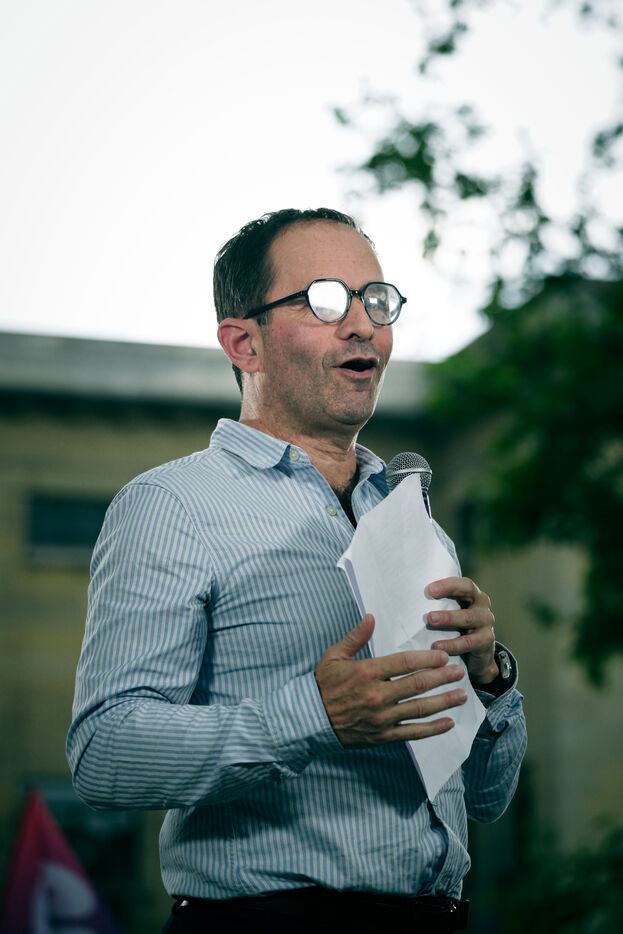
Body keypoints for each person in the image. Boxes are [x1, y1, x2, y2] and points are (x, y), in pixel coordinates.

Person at [67, 208, 526, 934]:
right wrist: (313, 717)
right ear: (243, 343)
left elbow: (485, 799)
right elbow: (104, 755)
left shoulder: (415, 529)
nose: (362, 325)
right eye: (324, 300)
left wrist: (489, 679)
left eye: (375, 300)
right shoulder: (173, 504)